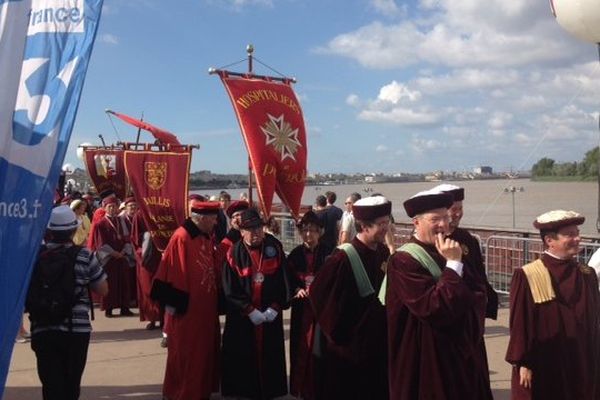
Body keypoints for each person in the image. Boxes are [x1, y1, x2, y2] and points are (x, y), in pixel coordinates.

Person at [385, 189, 492, 399]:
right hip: (427, 359)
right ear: (416, 223)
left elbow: (479, 293)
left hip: (459, 356)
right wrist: (453, 264)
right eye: (435, 219)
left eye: (446, 218)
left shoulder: (448, 249)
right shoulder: (404, 260)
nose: (444, 225)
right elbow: (434, 307)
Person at [506, 210, 600, 400]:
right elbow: (520, 322)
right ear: (550, 240)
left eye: (577, 233)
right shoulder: (528, 275)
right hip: (546, 359)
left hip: (581, 357)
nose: (577, 238)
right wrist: (523, 362)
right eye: (570, 234)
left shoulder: (587, 274)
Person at [309, 196, 391, 399]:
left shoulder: (382, 252)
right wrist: (342, 333)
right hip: (349, 350)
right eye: (381, 224)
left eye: (387, 222)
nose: (386, 228)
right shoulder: (342, 258)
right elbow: (319, 295)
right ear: (363, 225)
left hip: (377, 346)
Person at [29, 205, 108, 400]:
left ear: (49, 231)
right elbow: (103, 289)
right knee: (71, 384)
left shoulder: (34, 256)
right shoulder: (85, 255)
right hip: (76, 329)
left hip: (43, 326)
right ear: (73, 230)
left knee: (50, 384)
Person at [154, 200, 222, 400]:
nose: (216, 222)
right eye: (213, 219)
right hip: (188, 312)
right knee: (188, 355)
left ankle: (200, 392)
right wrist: (178, 308)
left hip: (205, 310)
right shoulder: (182, 238)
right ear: (201, 218)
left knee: (204, 354)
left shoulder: (205, 236)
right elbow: (172, 273)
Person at [221, 208, 290, 399]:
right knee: (243, 358)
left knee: (270, 357)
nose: (255, 233)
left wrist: (276, 307)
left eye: (258, 228)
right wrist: (249, 310)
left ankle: (270, 391)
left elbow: (284, 280)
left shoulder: (274, 248)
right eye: (250, 229)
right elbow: (229, 288)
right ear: (241, 231)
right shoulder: (233, 253)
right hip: (244, 318)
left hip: (269, 315)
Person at [432, 183, 499, 319]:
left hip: (473, 310)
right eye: (453, 209)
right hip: (449, 308)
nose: (458, 214)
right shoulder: (431, 241)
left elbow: (479, 273)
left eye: (460, 208)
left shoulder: (467, 238)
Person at [287, 211, 333, 399]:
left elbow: (335, 280)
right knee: (300, 348)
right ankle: (300, 389)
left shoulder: (330, 252)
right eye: (305, 230)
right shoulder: (295, 255)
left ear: (320, 232)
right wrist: (296, 290)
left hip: (322, 310)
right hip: (301, 308)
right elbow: (287, 280)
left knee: (321, 350)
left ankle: (320, 390)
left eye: (313, 231)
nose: (308, 235)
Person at [91, 197, 135, 317]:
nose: (112, 209)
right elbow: (100, 243)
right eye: (109, 206)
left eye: (114, 206)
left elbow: (127, 238)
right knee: (110, 283)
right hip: (109, 259)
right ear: (104, 208)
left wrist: (124, 251)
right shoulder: (101, 224)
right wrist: (113, 253)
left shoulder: (122, 221)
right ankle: (109, 308)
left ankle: (124, 307)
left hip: (122, 256)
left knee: (124, 282)